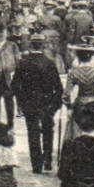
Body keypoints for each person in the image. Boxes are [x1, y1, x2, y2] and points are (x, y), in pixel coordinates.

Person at [10, 39, 63, 173]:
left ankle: (36, 164)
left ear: (31, 45)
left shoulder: (23, 63)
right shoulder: (50, 63)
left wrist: (22, 102)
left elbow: (15, 86)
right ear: (43, 46)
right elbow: (58, 87)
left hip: (30, 103)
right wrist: (55, 105)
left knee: (32, 133)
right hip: (47, 103)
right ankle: (47, 160)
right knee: (48, 131)